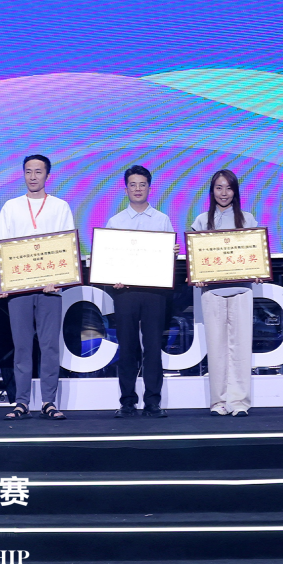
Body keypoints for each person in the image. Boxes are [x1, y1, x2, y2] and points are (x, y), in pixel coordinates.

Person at [0, 153, 77, 420]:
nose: (33, 176)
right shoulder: (11, 206)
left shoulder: (60, 206)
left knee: (50, 345)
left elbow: (68, 246)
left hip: (51, 287)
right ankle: (21, 402)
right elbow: (1, 247)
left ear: (47, 175)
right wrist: (2, 279)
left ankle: (49, 401)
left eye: (38, 171)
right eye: (28, 171)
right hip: (19, 286)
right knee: (22, 346)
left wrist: (59, 280)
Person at [190, 168, 261, 417]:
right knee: (216, 348)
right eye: (219, 188)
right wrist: (197, 275)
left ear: (235, 191)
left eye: (228, 188)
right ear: (212, 191)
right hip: (212, 292)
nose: (223, 193)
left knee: (241, 347)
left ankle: (240, 402)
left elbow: (256, 255)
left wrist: (258, 270)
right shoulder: (202, 221)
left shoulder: (248, 219)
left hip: (242, 290)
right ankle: (218, 401)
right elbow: (195, 258)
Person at [104, 164, 173, 419]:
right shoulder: (115, 222)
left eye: (142, 184)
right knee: (128, 347)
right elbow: (108, 259)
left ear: (149, 188)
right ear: (126, 190)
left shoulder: (162, 220)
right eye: (132, 185)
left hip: (155, 292)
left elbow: (168, 258)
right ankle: (127, 402)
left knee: (153, 347)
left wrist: (172, 251)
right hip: (126, 293)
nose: (137, 189)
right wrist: (113, 277)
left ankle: (153, 402)